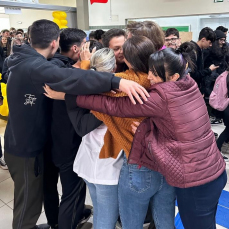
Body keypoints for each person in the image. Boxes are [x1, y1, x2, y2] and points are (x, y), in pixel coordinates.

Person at [46, 44, 227, 229]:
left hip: (187, 177)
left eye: (154, 74)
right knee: (170, 219)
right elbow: (174, 123)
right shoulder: (188, 83)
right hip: (210, 170)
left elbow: (115, 106)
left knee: (126, 220)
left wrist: (69, 95)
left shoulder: (153, 92)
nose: (149, 77)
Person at [4, 19, 148, 229]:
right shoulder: (38, 67)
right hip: (28, 148)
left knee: (40, 195)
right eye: (116, 49)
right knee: (29, 204)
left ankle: (53, 223)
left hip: (29, 143)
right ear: (55, 42)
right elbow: (69, 77)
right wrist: (115, 82)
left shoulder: (21, 59)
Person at [45, 37, 176, 229]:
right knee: (110, 215)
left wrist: (68, 93)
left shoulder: (124, 86)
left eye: (122, 50)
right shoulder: (142, 84)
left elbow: (94, 96)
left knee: (107, 215)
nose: (119, 53)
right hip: (108, 162)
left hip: (103, 161)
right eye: (116, 49)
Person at [44, 28, 92, 229]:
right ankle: (70, 223)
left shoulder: (45, 65)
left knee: (50, 187)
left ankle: (55, 222)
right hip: (67, 139)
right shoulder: (68, 71)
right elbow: (81, 90)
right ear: (76, 48)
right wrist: (87, 65)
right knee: (72, 190)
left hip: (47, 138)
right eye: (86, 45)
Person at [71, 48, 124, 229]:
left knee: (100, 210)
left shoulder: (84, 89)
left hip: (87, 157)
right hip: (108, 164)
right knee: (107, 216)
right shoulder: (117, 94)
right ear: (114, 68)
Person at [204, 30, 229, 126]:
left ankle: (218, 116)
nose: (223, 42)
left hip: (221, 78)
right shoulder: (207, 51)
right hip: (210, 79)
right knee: (211, 99)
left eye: (224, 40)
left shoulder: (225, 49)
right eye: (221, 40)